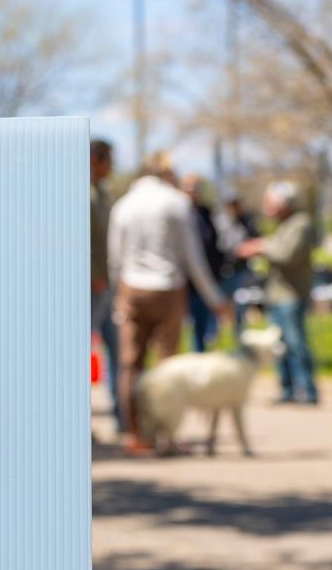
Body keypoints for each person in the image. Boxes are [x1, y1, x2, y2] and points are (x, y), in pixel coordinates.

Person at [109, 151, 232, 454]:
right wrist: (215, 298)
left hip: (132, 289)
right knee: (168, 366)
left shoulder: (123, 205)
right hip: (167, 289)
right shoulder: (175, 203)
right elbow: (193, 258)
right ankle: (166, 436)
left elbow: (115, 258)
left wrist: (118, 296)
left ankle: (135, 433)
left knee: (131, 363)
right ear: (167, 173)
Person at [238, 181, 318, 405]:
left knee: (295, 343)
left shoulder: (301, 224)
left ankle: (307, 389)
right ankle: (288, 389)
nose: (268, 208)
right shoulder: (283, 225)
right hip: (277, 294)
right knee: (279, 346)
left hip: (291, 295)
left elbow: (287, 255)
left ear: (284, 203)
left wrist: (261, 247)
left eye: (271, 203)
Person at [90, 139, 121, 431]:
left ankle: (121, 415)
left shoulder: (102, 193)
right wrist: (95, 275)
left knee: (116, 347)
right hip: (92, 286)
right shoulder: (84, 194)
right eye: (109, 160)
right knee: (82, 352)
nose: (112, 167)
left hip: (106, 284)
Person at [180, 173, 229, 352]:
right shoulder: (176, 213)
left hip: (206, 281)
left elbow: (218, 244)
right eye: (189, 187)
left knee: (206, 330)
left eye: (196, 188)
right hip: (182, 283)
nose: (193, 192)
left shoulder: (208, 214)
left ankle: (200, 365)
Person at [217, 193, 260, 334]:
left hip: (241, 270)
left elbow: (256, 239)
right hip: (223, 270)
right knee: (220, 304)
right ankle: (215, 334)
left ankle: (239, 332)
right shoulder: (219, 221)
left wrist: (246, 249)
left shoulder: (246, 221)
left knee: (240, 303)